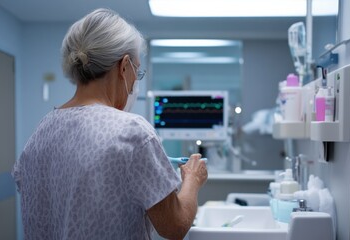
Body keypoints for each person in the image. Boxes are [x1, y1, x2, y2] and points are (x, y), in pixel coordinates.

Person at [12, 8, 207, 240]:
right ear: (124, 66)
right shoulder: (132, 133)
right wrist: (192, 181)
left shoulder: (41, 130)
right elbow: (174, 227)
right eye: (137, 71)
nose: (135, 82)